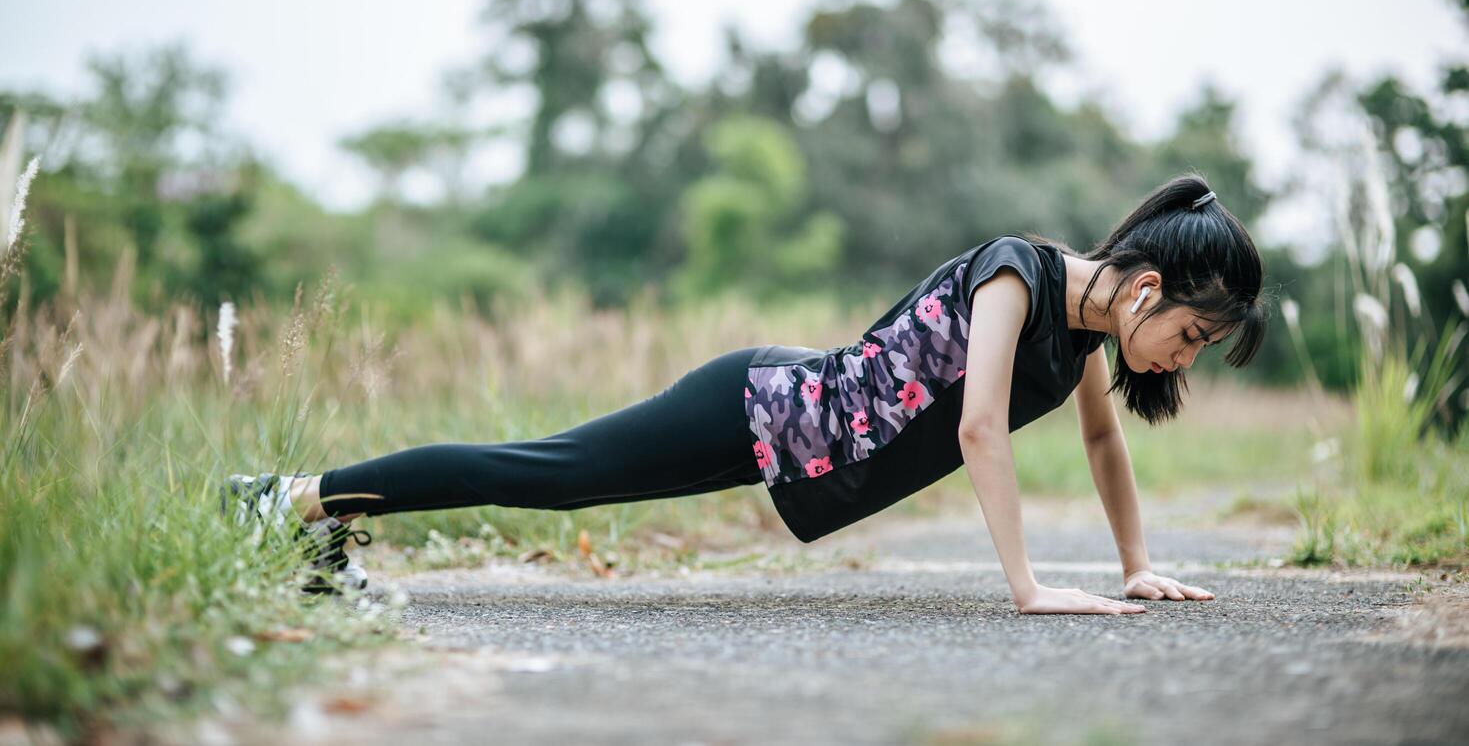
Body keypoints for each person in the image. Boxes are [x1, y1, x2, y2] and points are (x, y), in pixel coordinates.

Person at [224, 173, 1268, 614]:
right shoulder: (1016, 275)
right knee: (551, 473)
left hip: (798, 448)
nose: (1176, 358)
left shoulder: (1079, 335)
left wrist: (1136, 566)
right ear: (1142, 287)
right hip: (759, 403)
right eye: (1185, 334)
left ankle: (311, 519)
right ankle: (289, 495)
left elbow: (1101, 447)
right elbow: (978, 423)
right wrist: (1028, 587)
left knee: (560, 482)